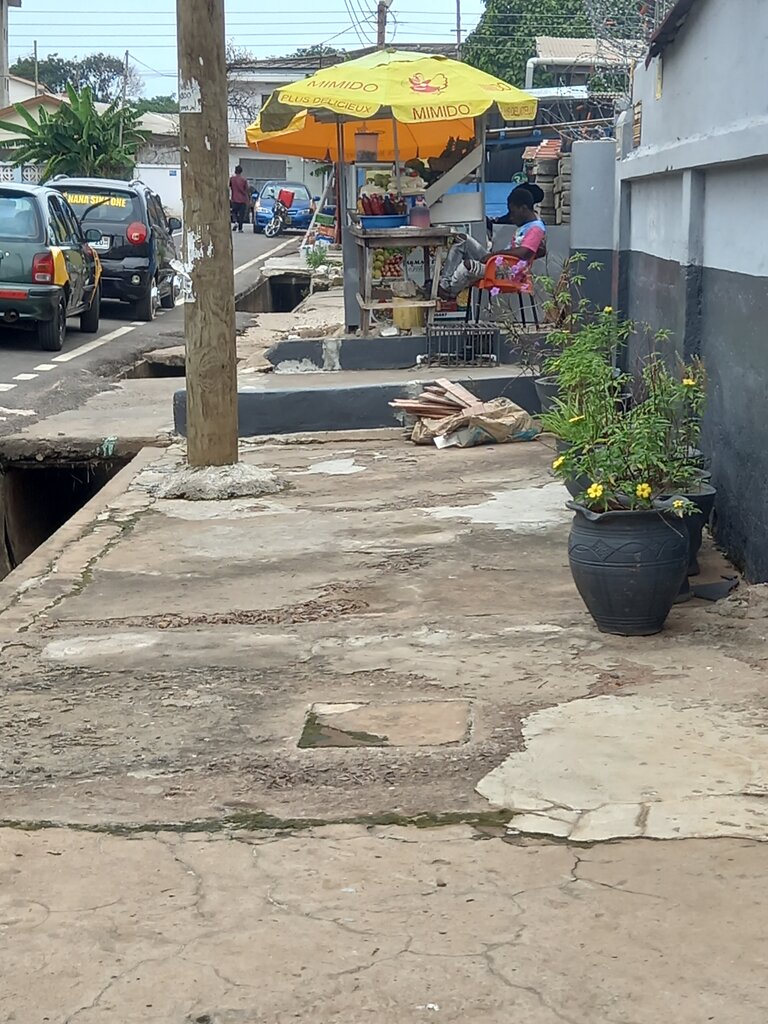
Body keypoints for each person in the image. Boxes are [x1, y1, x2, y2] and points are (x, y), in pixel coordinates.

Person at [439, 186, 547, 297]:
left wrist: (494, 254)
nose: (511, 218)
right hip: (499, 263)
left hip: (506, 272)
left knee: (468, 265)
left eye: (513, 213)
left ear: (523, 209)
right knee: (462, 239)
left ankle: (449, 292)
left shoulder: (535, 228)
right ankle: (444, 284)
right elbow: (537, 251)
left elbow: (524, 252)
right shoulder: (527, 226)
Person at [229, 166, 250, 233]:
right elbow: (247, 189)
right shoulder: (244, 180)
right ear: (241, 171)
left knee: (234, 212)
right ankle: (240, 228)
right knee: (241, 215)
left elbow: (229, 186)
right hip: (243, 199)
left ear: (235, 171)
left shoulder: (232, 179)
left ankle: (235, 222)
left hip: (234, 198)